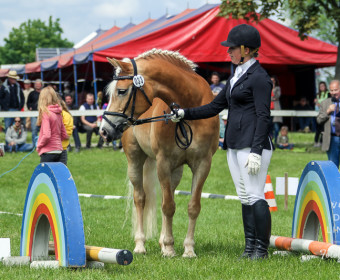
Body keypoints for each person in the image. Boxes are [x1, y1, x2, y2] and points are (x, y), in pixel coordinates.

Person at [171, 24, 273, 260]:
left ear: (246, 50)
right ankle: (249, 248)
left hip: (252, 145)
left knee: (256, 194)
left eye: (232, 49)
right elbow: (215, 106)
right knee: (245, 196)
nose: (229, 52)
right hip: (234, 143)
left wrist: (256, 150)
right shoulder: (236, 74)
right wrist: (185, 114)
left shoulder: (259, 78)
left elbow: (263, 116)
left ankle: (262, 250)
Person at [36, 86, 68, 164]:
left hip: (48, 151)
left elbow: (47, 135)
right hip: (59, 150)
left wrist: (39, 145)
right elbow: (64, 135)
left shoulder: (46, 113)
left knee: (45, 176)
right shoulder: (58, 113)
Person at [317, 79, 340, 168]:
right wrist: (328, 111)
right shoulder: (325, 103)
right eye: (331, 90)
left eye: (336, 90)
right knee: (333, 167)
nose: (333, 92)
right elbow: (319, 120)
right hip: (332, 139)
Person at [27, 79, 43, 145]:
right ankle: (34, 145)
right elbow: (28, 102)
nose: (37, 85)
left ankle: (43, 144)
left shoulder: (44, 93)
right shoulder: (31, 93)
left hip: (43, 114)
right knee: (34, 130)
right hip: (34, 114)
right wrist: (29, 107)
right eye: (36, 84)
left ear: (41, 85)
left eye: (38, 84)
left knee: (44, 130)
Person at [314, 81, 329, 147]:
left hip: (325, 113)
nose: (322, 87)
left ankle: (321, 142)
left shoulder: (328, 93)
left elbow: (328, 102)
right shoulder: (317, 95)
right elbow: (316, 104)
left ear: (325, 86)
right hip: (318, 113)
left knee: (324, 129)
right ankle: (316, 142)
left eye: (323, 86)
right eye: (320, 86)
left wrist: (320, 104)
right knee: (318, 129)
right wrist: (317, 103)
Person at [58, 97, 73, 165]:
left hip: (60, 148)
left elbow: (66, 135)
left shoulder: (65, 115)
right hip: (60, 148)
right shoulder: (49, 114)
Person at [270, 75, 283, 144]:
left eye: (273, 81)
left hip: (276, 109)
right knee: (269, 127)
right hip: (268, 109)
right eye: (270, 81)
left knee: (276, 127)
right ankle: (270, 141)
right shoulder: (266, 88)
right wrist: (273, 98)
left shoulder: (277, 88)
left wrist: (273, 87)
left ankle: (276, 141)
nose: (272, 82)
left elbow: (277, 96)